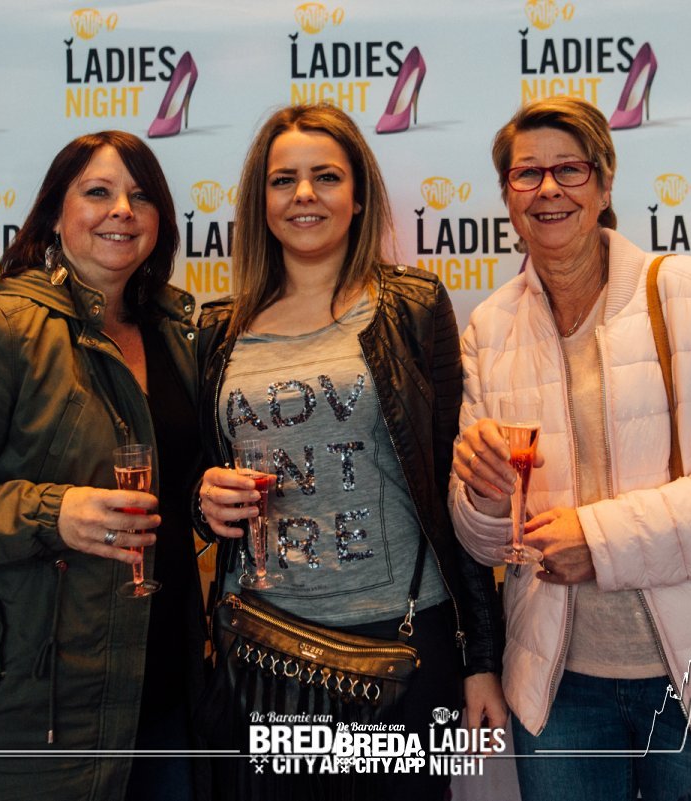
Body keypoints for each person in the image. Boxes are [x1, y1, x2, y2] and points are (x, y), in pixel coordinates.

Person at [448, 96, 691, 800]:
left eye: (570, 169)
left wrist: (599, 539)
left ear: (606, 182)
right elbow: (485, 541)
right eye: (527, 173)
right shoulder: (490, 328)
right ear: (507, 194)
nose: (548, 189)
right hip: (558, 689)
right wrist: (483, 493)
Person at [0, 131, 207, 801]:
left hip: (165, 698)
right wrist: (55, 512)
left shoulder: (177, 333)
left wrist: (206, 498)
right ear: (55, 213)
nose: (122, 210)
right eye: (98, 192)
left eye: (141, 196)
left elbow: (177, 491)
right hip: (35, 714)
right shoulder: (1, 327)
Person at [194, 104, 506, 800]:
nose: (304, 195)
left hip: (400, 644)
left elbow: (451, 487)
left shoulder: (412, 306)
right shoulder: (217, 330)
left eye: (326, 177)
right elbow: (193, 483)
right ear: (260, 201)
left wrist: (481, 658)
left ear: (358, 196)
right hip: (265, 651)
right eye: (284, 180)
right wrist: (201, 500)